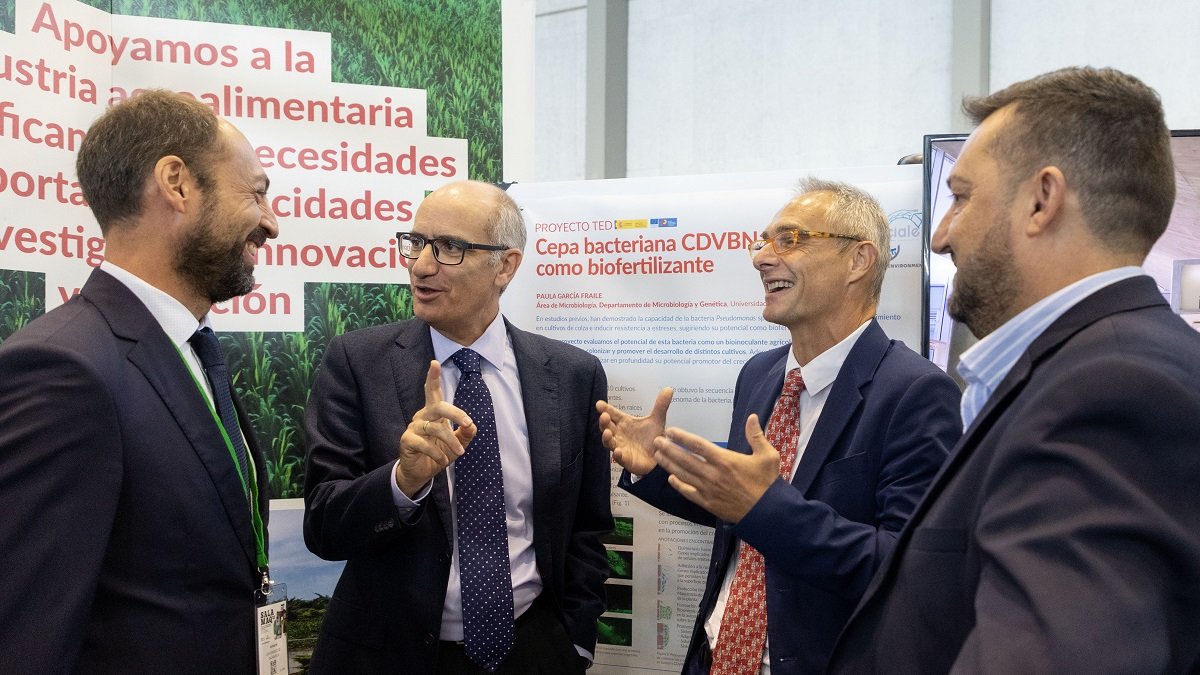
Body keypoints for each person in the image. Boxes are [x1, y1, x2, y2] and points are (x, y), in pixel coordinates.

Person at [827, 67, 1200, 674]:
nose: (942, 236)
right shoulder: (1104, 366)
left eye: (962, 196)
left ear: (1041, 200)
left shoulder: (1109, 391)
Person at [598, 178, 962, 675]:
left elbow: (907, 570)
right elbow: (741, 512)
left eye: (790, 239)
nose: (762, 258)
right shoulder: (760, 373)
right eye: (763, 241)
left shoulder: (917, 393)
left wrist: (764, 506)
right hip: (717, 656)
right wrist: (657, 466)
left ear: (859, 260)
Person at [0, 90, 279, 673]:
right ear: (176, 183)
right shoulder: (64, 371)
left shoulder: (191, 349)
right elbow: (27, 632)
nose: (271, 223)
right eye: (255, 192)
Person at [303, 180, 612, 674]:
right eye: (416, 243)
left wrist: (574, 643)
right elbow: (323, 526)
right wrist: (402, 482)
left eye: (450, 247)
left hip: (530, 650)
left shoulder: (572, 374)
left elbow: (587, 529)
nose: (423, 265)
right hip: (389, 655)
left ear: (505, 266)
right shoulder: (358, 362)